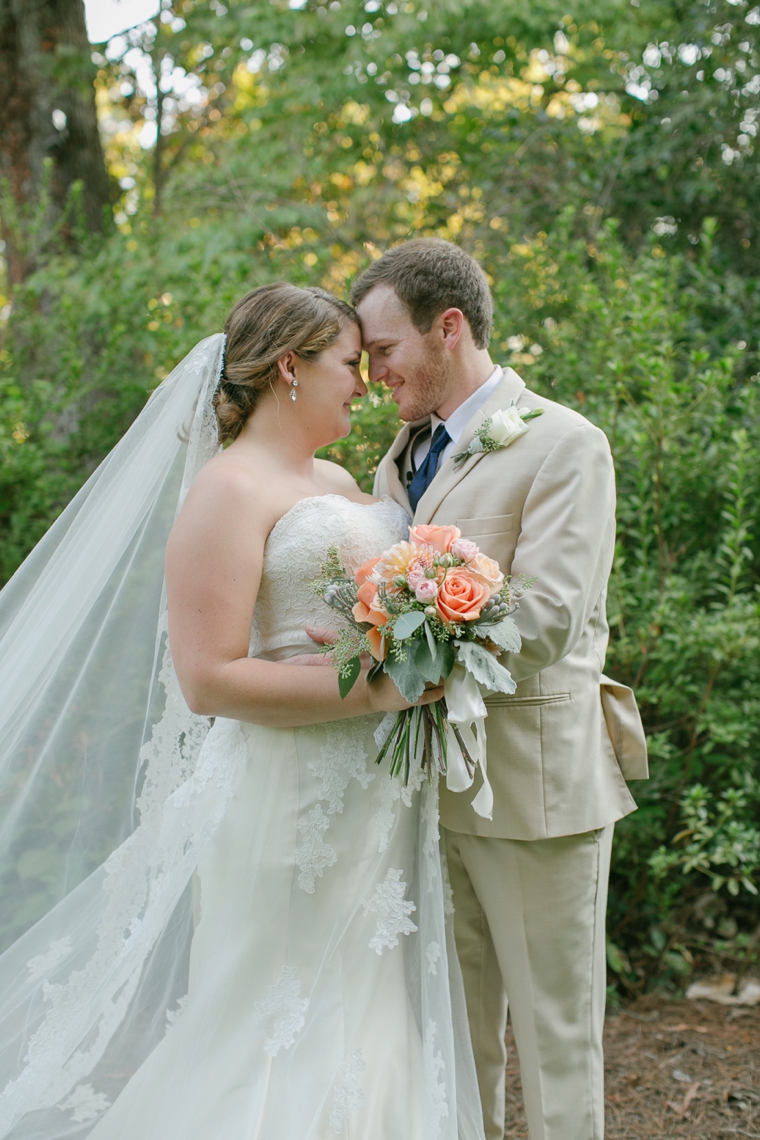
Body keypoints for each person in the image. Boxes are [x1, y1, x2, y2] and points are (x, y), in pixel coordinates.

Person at [0, 283, 485, 1140]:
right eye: (346, 363)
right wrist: (386, 687)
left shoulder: (338, 479)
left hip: (372, 799)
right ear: (289, 368)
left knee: (367, 1006)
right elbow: (210, 680)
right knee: (279, 1017)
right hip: (288, 799)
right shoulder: (226, 491)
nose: (364, 382)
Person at [350, 238, 648, 1140]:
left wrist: (389, 666)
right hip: (424, 795)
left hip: (534, 787)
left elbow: (550, 615)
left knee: (556, 1039)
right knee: (451, 1031)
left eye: (384, 351)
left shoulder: (564, 443)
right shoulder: (399, 456)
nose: (373, 376)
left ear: (449, 330)